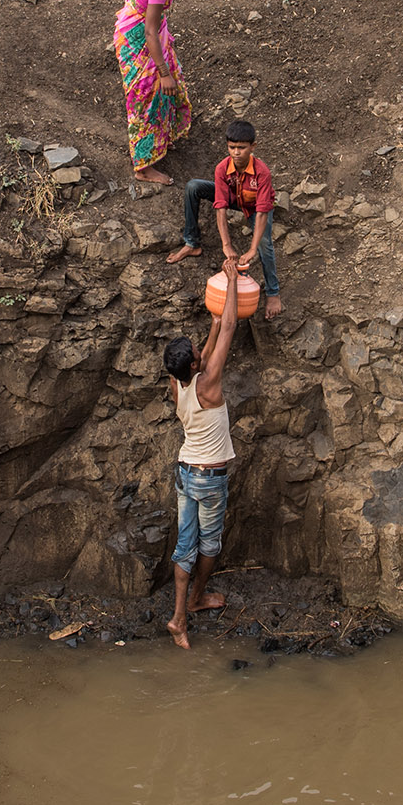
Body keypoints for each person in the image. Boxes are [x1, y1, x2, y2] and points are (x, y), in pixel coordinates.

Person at [164, 253, 244, 648]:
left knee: (184, 544)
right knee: (208, 544)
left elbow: (206, 355)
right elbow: (230, 325)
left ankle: (178, 617)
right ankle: (195, 600)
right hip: (210, 479)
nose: (201, 351)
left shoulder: (179, 385)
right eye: (197, 351)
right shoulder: (209, 384)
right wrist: (230, 282)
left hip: (185, 473)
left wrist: (209, 329)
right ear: (195, 363)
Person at [166, 119, 282, 318]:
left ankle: (273, 292)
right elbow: (220, 208)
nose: (236, 152)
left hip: (255, 206)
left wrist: (252, 249)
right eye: (232, 147)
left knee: (264, 244)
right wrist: (226, 245)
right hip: (234, 197)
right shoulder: (222, 168)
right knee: (193, 187)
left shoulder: (262, 173)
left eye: (242, 148)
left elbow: (262, 213)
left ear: (253, 147)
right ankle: (192, 243)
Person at [112, 0, 196, 184]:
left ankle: (161, 139)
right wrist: (163, 71)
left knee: (163, 92)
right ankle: (143, 166)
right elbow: (150, 31)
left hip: (146, 32)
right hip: (140, 39)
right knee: (146, 98)